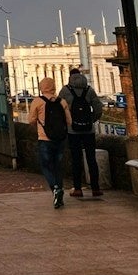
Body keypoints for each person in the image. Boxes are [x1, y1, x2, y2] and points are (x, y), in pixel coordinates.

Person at [59, 67, 103, 199]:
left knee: (76, 159)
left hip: (73, 131)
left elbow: (59, 108)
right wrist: (91, 120)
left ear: (70, 77)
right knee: (91, 159)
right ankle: (95, 188)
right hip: (88, 130)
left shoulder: (65, 91)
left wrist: (68, 122)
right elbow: (98, 108)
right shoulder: (89, 90)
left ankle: (77, 188)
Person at [31, 76, 70, 208]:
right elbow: (69, 121)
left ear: (41, 87)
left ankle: (55, 189)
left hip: (44, 138)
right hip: (60, 139)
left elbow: (31, 120)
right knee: (58, 166)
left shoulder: (37, 102)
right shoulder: (62, 102)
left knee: (46, 166)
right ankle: (59, 190)